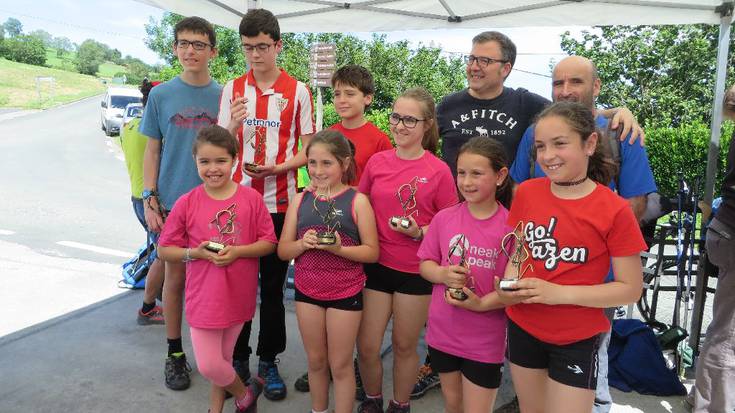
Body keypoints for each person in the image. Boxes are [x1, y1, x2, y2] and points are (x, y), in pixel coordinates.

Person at [509, 55, 657, 413]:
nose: (548, 155)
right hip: (524, 324)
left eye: (559, 144)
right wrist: (510, 281)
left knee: (591, 399)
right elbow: (519, 244)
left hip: (581, 328)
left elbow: (630, 288)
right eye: (541, 147)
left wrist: (558, 291)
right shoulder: (528, 192)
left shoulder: (614, 206)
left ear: (590, 144)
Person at [217, 8, 315, 401]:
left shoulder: (299, 91)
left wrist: (278, 167)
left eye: (262, 47)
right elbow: (220, 146)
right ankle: (238, 359)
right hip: (239, 202)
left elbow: (309, 151)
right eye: (247, 48)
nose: (255, 55)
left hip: (280, 205)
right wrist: (232, 126)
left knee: (273, 290)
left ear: (278, 46)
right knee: (238, 286)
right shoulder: (233, 88)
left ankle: (268, 361)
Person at [157, 125, 277, 413]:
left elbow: (269, 243)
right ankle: (246, 395)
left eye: (221, 161)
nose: (213, 169)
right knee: (210, 365)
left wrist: (238, 251)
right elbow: (164, 249)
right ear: (195, 161)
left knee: (222, 361)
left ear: (234, 159)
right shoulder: (187, 202)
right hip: (203, 297)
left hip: (238, 296)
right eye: (205, 161)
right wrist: (195, 253)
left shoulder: (251, 199)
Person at [357, 87, 458, 413]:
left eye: (409, 120)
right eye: (396, 117)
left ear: (427, 125)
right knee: (367, 346)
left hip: (415, 272)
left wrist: (419, 232)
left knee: (403, 346)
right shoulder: (377, 162)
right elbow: (360, 205)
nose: (400, 125)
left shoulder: (439, 170)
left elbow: (450, 225)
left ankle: (399, 405)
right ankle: (372, 399)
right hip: (377, 266)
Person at [293, 64, 393, 396]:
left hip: (360, 230)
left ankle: (349, 368)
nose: (341, 100)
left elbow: (382, 188)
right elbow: (311, 174)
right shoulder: (327, 134)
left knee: (352, 312)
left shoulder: (379, 139)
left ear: (368, 98)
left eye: (349, 93)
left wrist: (354, 206)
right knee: (319, 335)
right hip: (323, 232)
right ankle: (322, 367)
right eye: (337, 94)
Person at [140, 16, 222, 391]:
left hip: (215, 204)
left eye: (199, 44)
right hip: (172, 203)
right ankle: (175, 353)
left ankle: (216, 355)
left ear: (213, 52)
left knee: (213, 282)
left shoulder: (225, 96)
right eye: (184, 43)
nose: (191, 50)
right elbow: (152, 150)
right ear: (174, 48)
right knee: (174, 280)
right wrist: (149, 198)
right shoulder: (161, 96)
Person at [278, 130, 379, 413]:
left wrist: (339, 249)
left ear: (344, 164)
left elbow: (372, 252)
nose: (318, 170)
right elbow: (283, 251)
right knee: (316, 362)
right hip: (307, 291)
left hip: (345, 293)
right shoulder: (300, 200)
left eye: (326, 163)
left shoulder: (357, 201)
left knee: (340, 364)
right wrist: (302, 244)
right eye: (312, 163)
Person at [418, 136, 513, 413]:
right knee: (453, 403)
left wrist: (480, 303)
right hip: (443, 333)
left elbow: (513, 289)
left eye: (477, 173)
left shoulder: (511, 227)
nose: (467, 181)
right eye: (461, 173)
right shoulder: (444, 219)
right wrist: (443, 274)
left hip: (485, 340)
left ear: (500, 176)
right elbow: (425, 264)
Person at [689, 84, 735, 413]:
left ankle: (703, 398)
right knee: (728, 332)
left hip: (725, 230)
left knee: (726, 328)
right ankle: (712, 406)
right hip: (731, 233)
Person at [120, 78, 165, 325]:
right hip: (153, 201)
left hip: (137, 198)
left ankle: (161, 295)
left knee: (161, 251)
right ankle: (148, 307)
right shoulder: (153, 134)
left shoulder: (128, 127)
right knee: (163, 254)